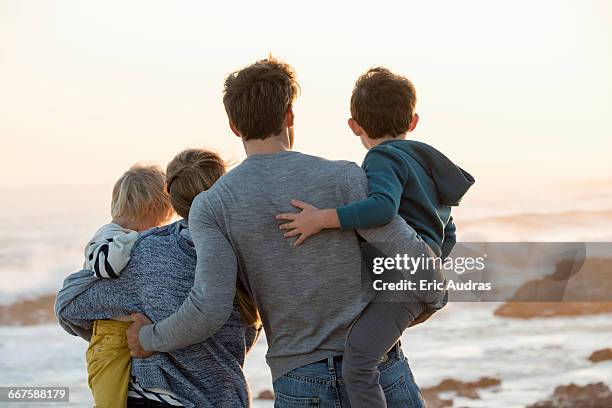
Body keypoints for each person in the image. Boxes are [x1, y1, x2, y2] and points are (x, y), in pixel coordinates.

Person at [127, 57, 445, 407]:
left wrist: (149, 338)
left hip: (302, 383)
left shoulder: (213, 206)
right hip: (379, 372)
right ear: (289, 116)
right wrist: (429, 302)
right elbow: (418, 262)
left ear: (234, 126)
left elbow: (209, 310)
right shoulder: (345, 177)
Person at [276, 67, 474, 407]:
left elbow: (381, 208)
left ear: (354, 125)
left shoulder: (382, 158)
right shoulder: (421, 161)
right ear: (412, 121)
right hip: (416, 279)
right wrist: (431, 267)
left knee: (359, 366)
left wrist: (323, 219)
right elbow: (449, 230)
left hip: (405, 286)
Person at [56, 149, 260, 408]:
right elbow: (250, 331)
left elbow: (68, 305)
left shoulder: (151, 251)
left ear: (173, 200)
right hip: (229, 395)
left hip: (160, 396)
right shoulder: (251, 253)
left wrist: (130, 335)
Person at [81, 164, 174, 408]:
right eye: (162, 218)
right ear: (152, 208)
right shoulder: (109, 234)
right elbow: (104, 268)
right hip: (109, 339)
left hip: (129, 334)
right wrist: (134, 240)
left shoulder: (123, 234)